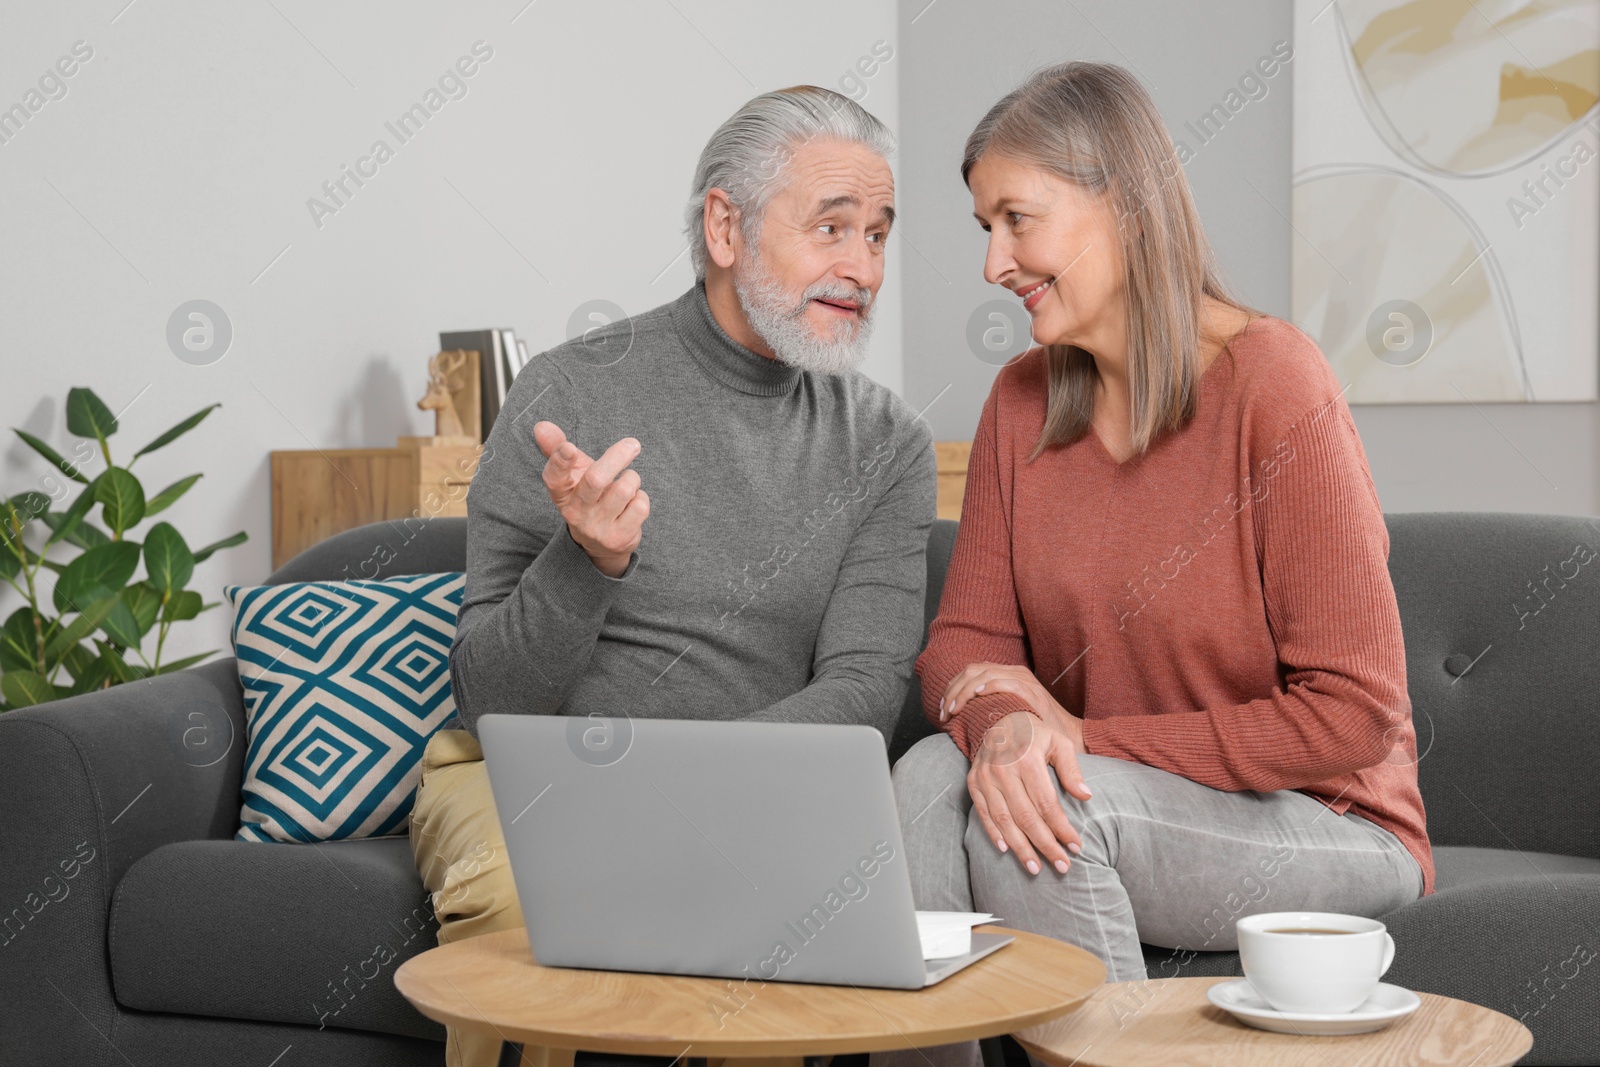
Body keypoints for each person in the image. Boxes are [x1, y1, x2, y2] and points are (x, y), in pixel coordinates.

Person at [887, 60, 1433, 1065]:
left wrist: (1082, 734)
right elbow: (963, 642)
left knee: (1049, 802)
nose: (992, 262)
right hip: (1118, 794)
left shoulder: (1275, 386)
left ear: (1124, 206)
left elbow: (1356, 713)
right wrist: (1008, 727)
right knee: (928, 774)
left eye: (1016, 219)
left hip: (1329, 824)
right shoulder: (1020, 401)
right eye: (983, 228)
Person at [408, 85, 936, 1067]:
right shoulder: (570, 388)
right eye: (832, 227)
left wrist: (683, 797)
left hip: (755, 792)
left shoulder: (888, 444)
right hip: (529, 777)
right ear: (725, 226)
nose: (861, 267)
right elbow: (489, 700)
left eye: (877, 233)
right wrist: (587, 558)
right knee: (529, 915)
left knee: (764, 945)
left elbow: (863, 689)